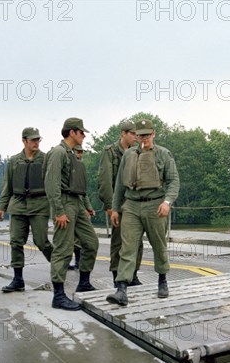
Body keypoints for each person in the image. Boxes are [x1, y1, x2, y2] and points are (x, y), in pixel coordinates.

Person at [106, 119, 180, 306]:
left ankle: (162, 280)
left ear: (153, 134)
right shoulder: (129, 155)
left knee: (158, 244)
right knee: (127, 247)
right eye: (141, 135)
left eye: (148, 134)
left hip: (155, 205)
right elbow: (119, 187)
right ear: (136, 135)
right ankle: (122, 288)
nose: (144, 138)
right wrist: (115, 208)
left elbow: (173, 181)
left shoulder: (163, 154)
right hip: (131, 205)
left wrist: (167, 202)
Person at [45, 117, 99, 311]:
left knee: (91, 242)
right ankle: (58, 296)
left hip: (77, 203)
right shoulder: (58, 153)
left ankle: (84, 282)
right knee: (63, 249)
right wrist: (58, 211)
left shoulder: (72, 155)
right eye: (81, 132)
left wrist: (86, 204)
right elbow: (51, 184)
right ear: (71, 132)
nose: (84, 135)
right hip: (65, 204)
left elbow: (77, 184)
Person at [0, 127, 53, 292]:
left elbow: (53, 183)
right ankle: (18, 279)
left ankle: (58, 266)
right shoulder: (14, 161)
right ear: (24, 141)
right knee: (16, 242)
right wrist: (2, 206)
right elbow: (7, 186)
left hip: (40, 205)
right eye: (33, 140)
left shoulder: (46, 159)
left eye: (38, 140)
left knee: (41, 241)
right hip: (18, 205)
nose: (36, 143)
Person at [97, 121, 143, 286]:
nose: (135, 138)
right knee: (118, 242)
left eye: (137, 135)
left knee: (137, 241)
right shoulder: (110, 152)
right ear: (123, 133)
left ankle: (133, 275)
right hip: (119, 204)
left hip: (135, 204)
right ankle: (117, 277)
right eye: (132, 134)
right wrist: (111, 206)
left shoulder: (137, 152)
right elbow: (104, 181)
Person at [68, 144, 95, 270]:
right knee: (69, 238)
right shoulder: (67, 167)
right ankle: (65, 262)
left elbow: (84, 193)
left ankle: (79, 262)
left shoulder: (80, 168)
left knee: (79, 239)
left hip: (79, 206)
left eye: (81, 152)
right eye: (77, 152)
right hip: (68, 205)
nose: (80, 155)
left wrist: (89, 208)